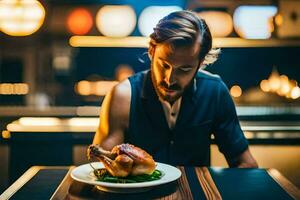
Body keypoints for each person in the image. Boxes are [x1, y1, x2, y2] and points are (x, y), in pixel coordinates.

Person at [92, 10, 258, 168]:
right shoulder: (123, 96)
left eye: (184, 69)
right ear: (151, 50)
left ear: (200, 64)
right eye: (164, 65)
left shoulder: (215, 92)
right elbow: (101, 165)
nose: (169, 79)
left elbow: (244, 162)